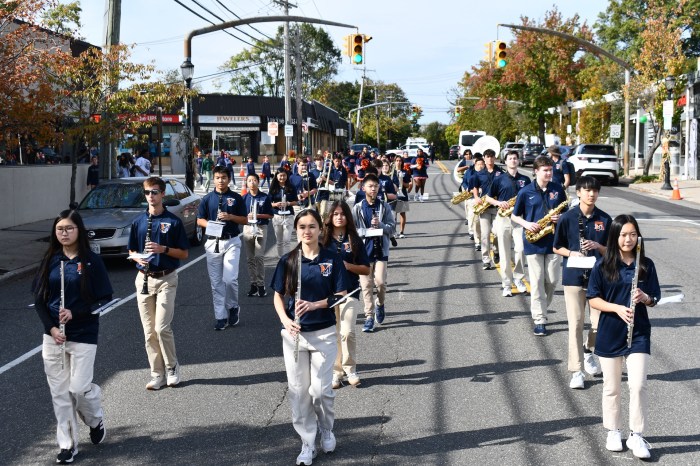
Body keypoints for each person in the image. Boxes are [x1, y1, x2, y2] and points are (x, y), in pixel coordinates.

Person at [32, 209, 113, 464]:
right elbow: (39, 299)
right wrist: (52, 328)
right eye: (59, 229)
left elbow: (105, 299)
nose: (64, 233)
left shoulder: (91, 261)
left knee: (78, 389)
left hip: (83, 334)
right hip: (54, 337)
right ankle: (67, 445)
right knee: (61, 395)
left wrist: (76, 313)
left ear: (78, 230)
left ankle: (95, 418)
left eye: (69, 228)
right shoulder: (50, 260)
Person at [271, 208, 347, 465]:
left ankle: (326, 428)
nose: (307, 231)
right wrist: (285, 320)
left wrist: (316, 305)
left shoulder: (331, 258)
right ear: (296, 230)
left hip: (323, 333)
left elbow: (341, 294)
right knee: (298, 391)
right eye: (302, 226)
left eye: (312, 226)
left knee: (320, 391)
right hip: (294, 335)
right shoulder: (289, 260)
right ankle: (307, 441)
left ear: (319, 229)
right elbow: (278, 295)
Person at [586, 214, 660, 459]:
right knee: (612, 387)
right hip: (610, 333)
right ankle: (613, 430)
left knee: (638, 385)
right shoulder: (603, 265)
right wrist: (617, 308)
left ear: (638, 236)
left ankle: (637, 435)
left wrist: (644, 297)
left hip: (638, 333)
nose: (628, 239)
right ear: (615, 236)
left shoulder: (645, 264)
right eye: (623, 234)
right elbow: (593, 298)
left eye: (632, 234)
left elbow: (654, 299)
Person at [128, 176, 189, 389]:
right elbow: (132, 250)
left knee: (162, 327)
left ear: (163, 194)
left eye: (155, 192)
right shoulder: (138, 222)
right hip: (144, 278)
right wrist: (137, 257)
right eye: (147, 193)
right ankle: (157, 373)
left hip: (166, 278)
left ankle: (172, 367)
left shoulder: (173, 222)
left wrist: (163, 250)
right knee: (149, 332)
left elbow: (184, 253)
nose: (151, 196)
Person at [553, 176, 612, 389]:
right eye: (586, 190)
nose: (591, 194)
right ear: (578, 192)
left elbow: (613, 251)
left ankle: (588, 350)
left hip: (598, 279)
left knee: (599, 325)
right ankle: (576, 371)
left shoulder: (605, 219)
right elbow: (556, 246)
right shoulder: (567, 218)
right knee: (576, 324)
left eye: (595, 190)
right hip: (574, 278)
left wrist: (599, 246)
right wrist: (571, 253)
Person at [511, 156, 567, 336]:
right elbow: (514, 215)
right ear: (535, 171)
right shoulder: (525, 191)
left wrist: (561, 218)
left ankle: (542, 307)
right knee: (536, 282)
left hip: (554, 241)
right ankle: (540, 319)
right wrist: (526, 224)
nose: (549, 173)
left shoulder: (558, 189)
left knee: (551, 281)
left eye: (550, 170)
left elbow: (566, 212)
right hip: (533, 241)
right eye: (545, 170)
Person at [322, 201, 370, 389]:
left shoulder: (354, 240)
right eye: (335, 214)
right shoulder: (322, 239)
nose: (339, 217)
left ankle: (351, 369)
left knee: (347, 331)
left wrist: (347, 266)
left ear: (347, 217)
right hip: (327, 294)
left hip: (350, 291)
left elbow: (366, 269)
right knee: (333, 334)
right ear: (330, 217)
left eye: (342, 214)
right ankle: (336, 372)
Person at [197, 166, 248, 330]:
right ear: (213, 179)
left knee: (230, 279)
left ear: (229, 178)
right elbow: (200, 220)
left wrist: (231, 217)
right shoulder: (206, 199)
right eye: (218, 177)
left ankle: (233, 306)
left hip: (232, 241)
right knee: (216, 283)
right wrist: (210, 225)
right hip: (213, 243)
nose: (221, 180)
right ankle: (220, 316)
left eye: (224, 177)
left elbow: (245, 220)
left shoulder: (236, 198)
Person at [352, 174, 395, 333]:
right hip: (363, 253)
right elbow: (353, 231)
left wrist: (381, 225)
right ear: (363, 188)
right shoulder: (357, 208)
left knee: (381, 283)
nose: (374, 189)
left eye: (376, 186)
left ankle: (380, 304)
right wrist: (366, 231)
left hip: (381, 252)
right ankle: (369, 317)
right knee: (366, 286)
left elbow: (392, 228)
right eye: (370, 186)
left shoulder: (385, 206)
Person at [483, 151, 530, 296]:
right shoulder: (499, 179)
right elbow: (488, 198)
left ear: (518, 161)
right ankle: (506, 285)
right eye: (510, 158)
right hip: (503, 218)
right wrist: (499, 203)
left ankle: (519, 279)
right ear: (506, 161)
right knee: (504, 253)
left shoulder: (526, 180)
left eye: (515, 158)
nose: (513, 161)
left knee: (521, 250)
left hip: (520, 219)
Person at [242, 173, 274, 297]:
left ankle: (261, 284)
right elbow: (240, 215)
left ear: (258, 181)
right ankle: (253, 284)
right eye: (249, 180)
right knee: (250, 259)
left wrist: (258, 215)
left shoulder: (264, 197)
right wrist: (246, 217)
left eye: (254, 180)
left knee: (259, 257)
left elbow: (270, 215)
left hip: (261, 227)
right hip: (248, 228)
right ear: (247, 183)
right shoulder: (244, 198)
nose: (252, 183)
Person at [472, 149, 503, 269]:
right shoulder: (479, 174)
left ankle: (496, 251)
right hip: (484, 208)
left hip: (497, 207)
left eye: (492, 156)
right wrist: (476, 197)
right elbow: (475, 187)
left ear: (495, 158)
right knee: (484, 235)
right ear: (484, 158)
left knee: (497, 233)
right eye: (487, 157)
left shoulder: (500, 172)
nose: (490, 159)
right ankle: (486, 259)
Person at [269, 169, 299, 258]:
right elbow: (269, 202)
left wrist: (288, 203)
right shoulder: (273, 187)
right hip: (277, 216)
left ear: (287, 176)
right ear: (277, 176)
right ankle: (280, 258)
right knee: (279, 241)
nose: (282, 177)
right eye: (280, 176)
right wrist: (275, 204)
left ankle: (286, 258)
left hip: (289, 215)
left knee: (287, 240)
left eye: (284, 175)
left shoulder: (291, 187)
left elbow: (296, 201)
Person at [464, 155, 484, 244]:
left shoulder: (486, 174)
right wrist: (472, 190)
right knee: (472, 216)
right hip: (472, 197)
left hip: (484, 199)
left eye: (481, 164)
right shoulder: (470, 172)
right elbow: (465, 183)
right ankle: (472, 232)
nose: (480, 166)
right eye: (478, 164)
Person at [391, 157, 412, 239]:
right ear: (394, 162)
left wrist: (402, 181)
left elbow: (408, 185)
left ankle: (402, 231)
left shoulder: (405, 172)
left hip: (402, 194)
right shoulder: (391, 172)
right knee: (393, 214)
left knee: (402, 213)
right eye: (397, 161)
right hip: (393, 195)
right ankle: (393, 231)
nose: (398, 162)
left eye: (400, 161)